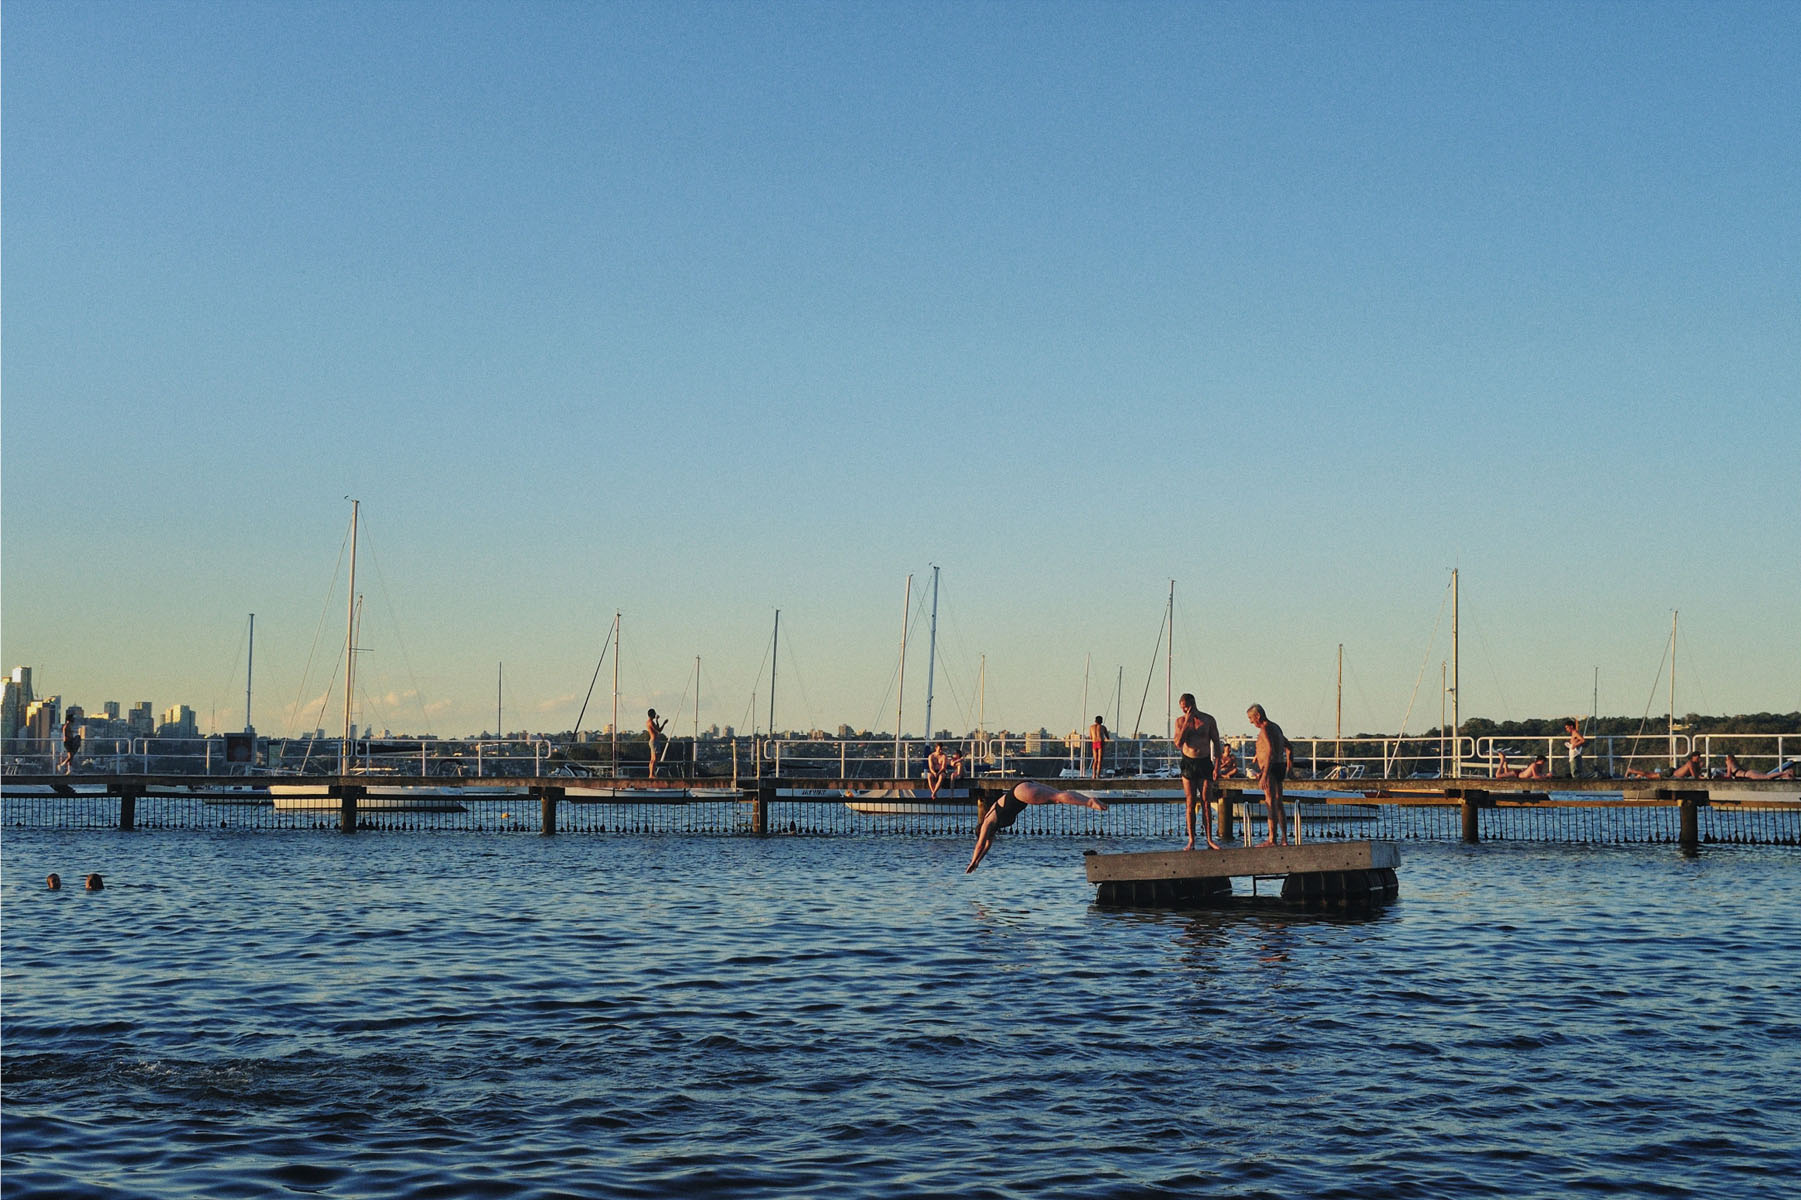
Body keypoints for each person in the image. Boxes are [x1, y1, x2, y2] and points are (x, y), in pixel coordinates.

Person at [966, 779, 1107, 872]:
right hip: (1023, 787)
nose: (990, 839)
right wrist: (977, 862)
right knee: (1058, 796)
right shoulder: (991, 824)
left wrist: (972, 861)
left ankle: (1089, 802)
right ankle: (1088, 801)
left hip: (1020, 794)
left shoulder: (987, 823)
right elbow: (986, 847)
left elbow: (980, 845)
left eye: (986, 837)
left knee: (1057, 798)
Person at [1174, 693, 1223, 850]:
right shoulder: (1180, 721)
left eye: (1187, 708)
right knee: (1190, 802)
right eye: (1182, 709)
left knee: (1206, 801)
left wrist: (1217, 766)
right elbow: (1178, 743)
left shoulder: (1208, 720)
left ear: (1193, 704)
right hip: (1188, 762)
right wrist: (1187, 722)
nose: (1185, 711)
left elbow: (1216, 742)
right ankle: (1192, 840)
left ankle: (1209, 839)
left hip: (1204, 761)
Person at [1247, 703, 1295, 846]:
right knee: (1278, 802)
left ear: (1258, 716)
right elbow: (1289, 748)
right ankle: (1284, 839)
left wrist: (1264, 774)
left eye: (1251, 718)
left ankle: (1272, 839)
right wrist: (1289, 769)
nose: (1250, 721)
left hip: (1271, 768)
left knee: (1270, 803)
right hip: (1280, 766)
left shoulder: (1265, 729)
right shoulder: (1276, 727)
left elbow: (1269, 751)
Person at [1724, 754, 1798, 780]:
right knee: (1768, 776)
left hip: (1749, 775)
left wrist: (1721, 776)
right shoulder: (1735, 763)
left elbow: (1728, 775)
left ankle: (1785, 772)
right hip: (1749, 773)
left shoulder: (1729, 763)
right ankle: (1785, 775)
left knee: (1767, 777)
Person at [644, 709, 669, 778]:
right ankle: (651, 774)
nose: (655, 715)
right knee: (654, 758)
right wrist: (664, 723)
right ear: (652, 714)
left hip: (653, 741)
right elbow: (659, 730)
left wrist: (657, 720)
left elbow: (657, 729)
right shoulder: (651, 722)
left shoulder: (649, 722)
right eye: (654, 714)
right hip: (654, 741)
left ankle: (652, 774)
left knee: (653, 759)